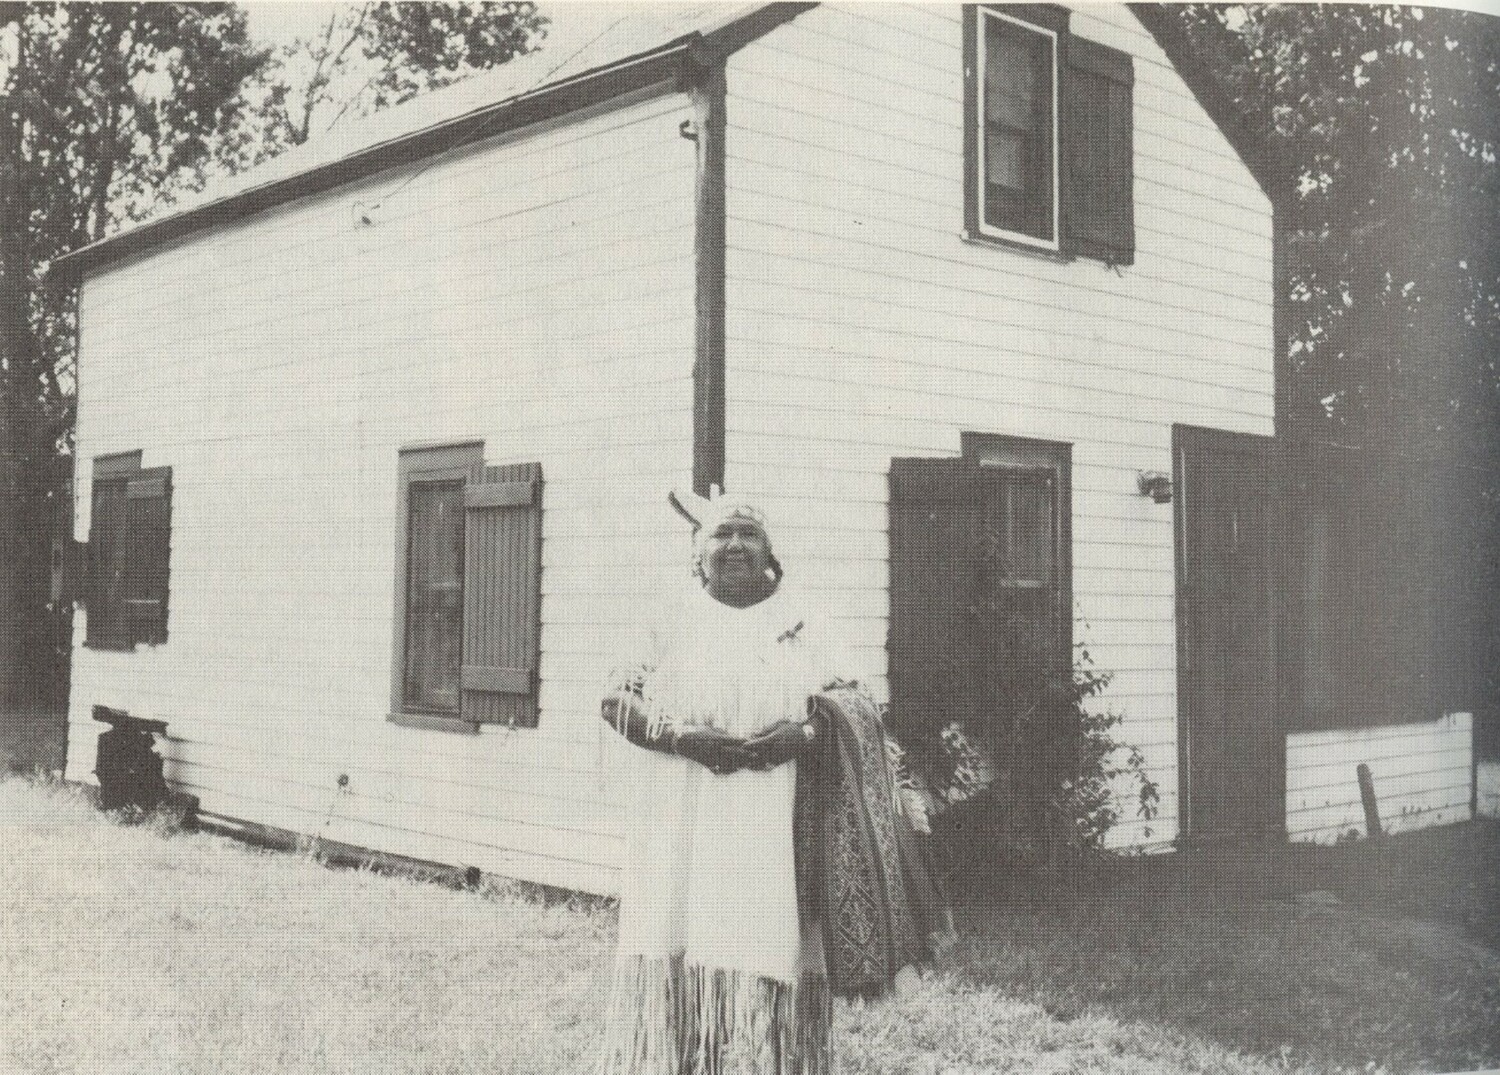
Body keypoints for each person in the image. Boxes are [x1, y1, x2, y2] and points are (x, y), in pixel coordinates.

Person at [597, 491, 951, 1075]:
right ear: (698, 552)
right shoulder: (668, 615)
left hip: (781, 813)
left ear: (769, 550)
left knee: (779, 943)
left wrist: (802, 736)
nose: (734, 545)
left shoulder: (805, 618)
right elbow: (615, 699)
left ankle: (790, 1062)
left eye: (748, 534)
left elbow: (855, 701)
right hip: (682, 812)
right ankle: (681, 1060)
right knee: (677, 941)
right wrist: (685, 739)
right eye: (721, 534)